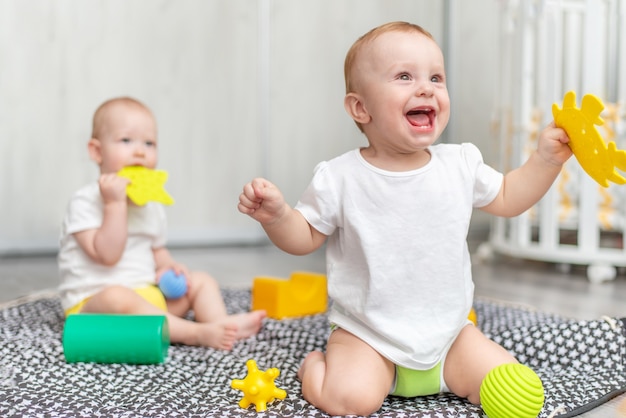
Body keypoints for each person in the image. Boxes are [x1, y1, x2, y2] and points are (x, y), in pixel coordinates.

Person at [238, 21, 572, 415]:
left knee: (510, 383)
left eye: (436, 77)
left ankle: (457, 373)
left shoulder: (460, 163)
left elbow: (508, 197)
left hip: (450, 336)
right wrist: (277, 217)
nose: (426, 88)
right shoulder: (340, 176)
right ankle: (315, 369)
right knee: (351, 400)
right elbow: (304, 237)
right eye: (404, 76)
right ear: (360, 107)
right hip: (368, 336)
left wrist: (545, 161)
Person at [59, 97, 266, 351]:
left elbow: (156, 250)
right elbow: (107, 255)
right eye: (126, 140)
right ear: (97, 151)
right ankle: (195, 333)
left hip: (146, 295)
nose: (140, 151)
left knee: (201, 280)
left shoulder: (152, 205)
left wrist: (169, 265)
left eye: (149, 143)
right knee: (118, 296)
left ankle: (220, 325)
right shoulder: (84, 202)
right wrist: (115, 205)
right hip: (95, 306)